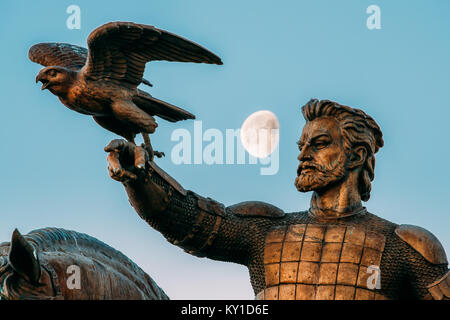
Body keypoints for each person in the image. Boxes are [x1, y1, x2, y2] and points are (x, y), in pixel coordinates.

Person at [105, 98, 449, 300]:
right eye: (301, 146)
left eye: (318, 144)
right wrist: (140, 177)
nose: (303, 155)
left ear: (357, 155)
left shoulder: (407, 247)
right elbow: (187, 220)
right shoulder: (268, 231)